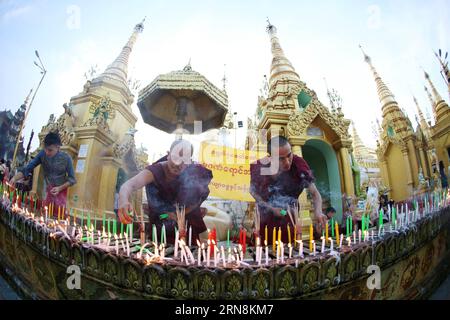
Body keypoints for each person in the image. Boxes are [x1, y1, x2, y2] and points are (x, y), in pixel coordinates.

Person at [117, 139, 213, 244]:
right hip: (160, 220)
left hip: (185, 225)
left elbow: (197, 199)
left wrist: (179, 214)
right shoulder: (155, 171)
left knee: (188, 255)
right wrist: (123, 201)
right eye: (175, 157)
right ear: (168, 155)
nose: (178, 164)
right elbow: (128, 185)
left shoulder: (194, 174)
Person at [250, 135, 326, 244]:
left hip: (290, 215)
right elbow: (252, 191)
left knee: (289, 247)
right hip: (265, 217)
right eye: (281, 158)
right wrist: (271, 208)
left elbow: (315, 193)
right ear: (270, 157)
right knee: (266, 250)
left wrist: (318, 212)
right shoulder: (259, 167)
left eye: (289, 155)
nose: (287, 162)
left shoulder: (299, 164)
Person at [9, 132, 76, 208]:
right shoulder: (42, 154)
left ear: (58, 148)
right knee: (46, 212)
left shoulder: (67, 158)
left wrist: (59, 188)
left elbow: (72, 180)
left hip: (61, 192)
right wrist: (14, 178)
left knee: (58, 215)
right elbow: (27, 168)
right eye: (45, 149)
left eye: (50, 150)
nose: (47, 153)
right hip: (49, 190)